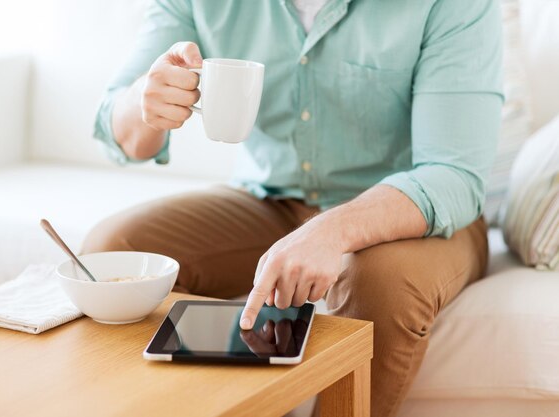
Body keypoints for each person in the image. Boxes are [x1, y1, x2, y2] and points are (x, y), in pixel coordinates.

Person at [85, 1, 503, 416]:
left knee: (379, 282)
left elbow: (453, 174)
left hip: (411, 215)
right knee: (113, 251)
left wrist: (331, 231)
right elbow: (122, 134)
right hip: (270, 198)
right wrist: (147, 97)